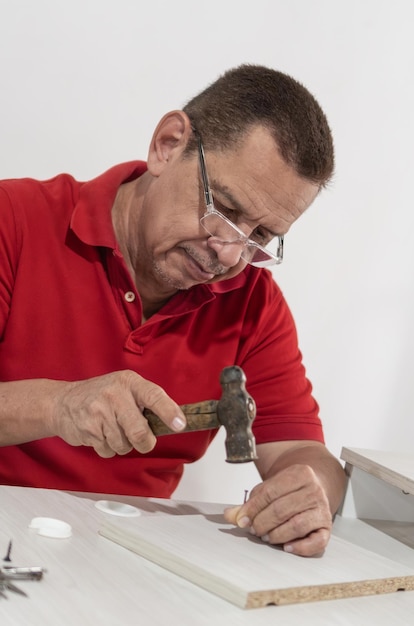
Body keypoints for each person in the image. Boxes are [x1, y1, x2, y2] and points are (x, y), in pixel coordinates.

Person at [0, 64, 346, 557]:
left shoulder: (253, 303)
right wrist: (58, 406)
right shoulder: (13, 221)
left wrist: (310, 490)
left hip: (128, 555)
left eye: (261, 237)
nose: (229, 254)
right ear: (167, 144)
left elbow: (300, 450)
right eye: (224, 209)